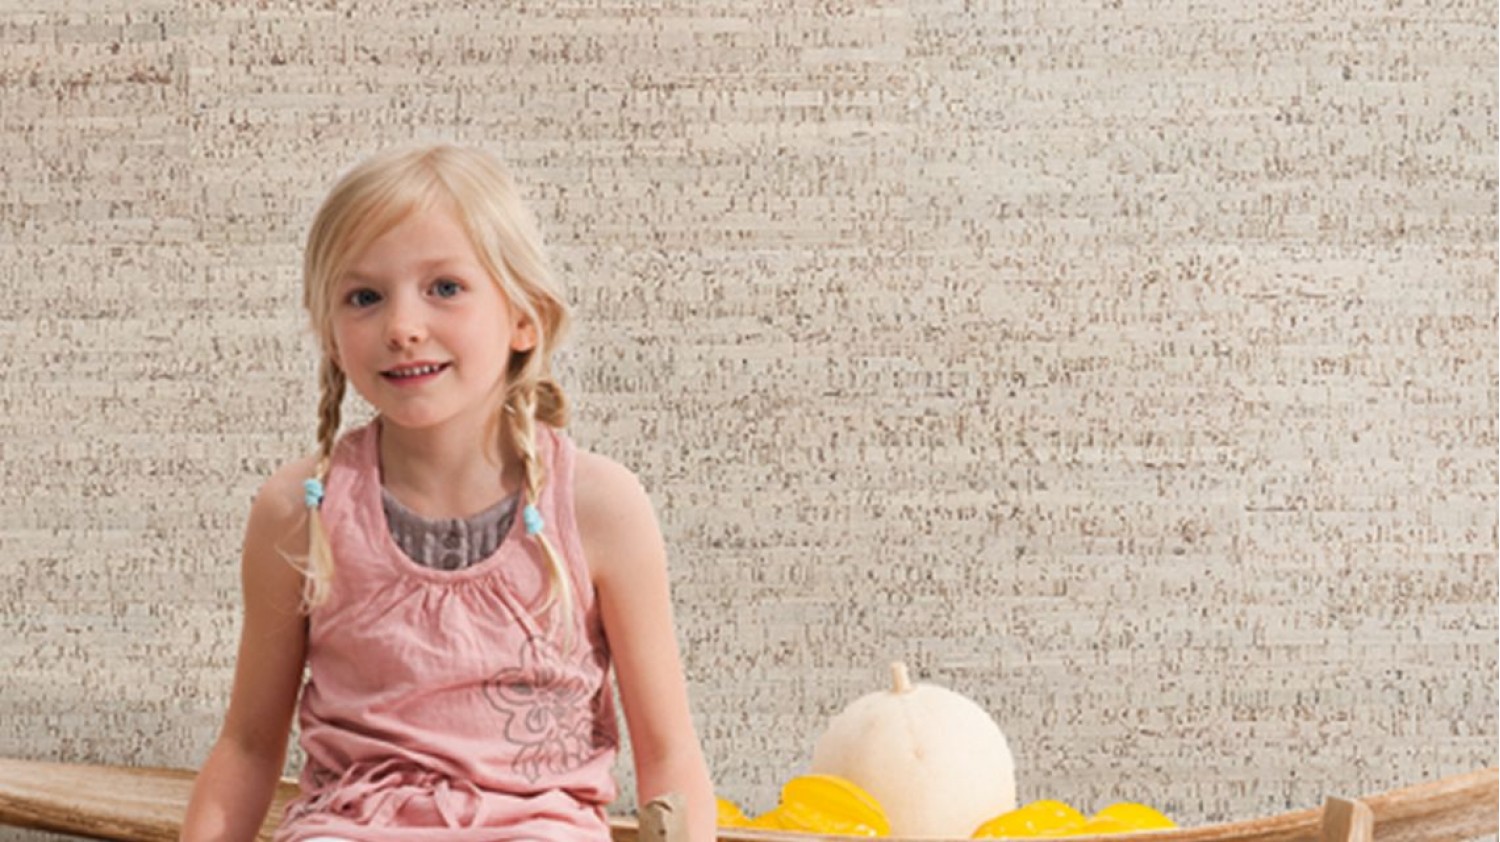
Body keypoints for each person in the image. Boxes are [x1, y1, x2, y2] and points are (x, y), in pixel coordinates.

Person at [181, 145, 716, 841]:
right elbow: (249, 747)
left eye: (445, 287)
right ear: (330, 335)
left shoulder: (599, 507)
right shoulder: (299, 510)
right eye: (364, 297)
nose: (403, 327)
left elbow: (669, 755)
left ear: (524, 317)